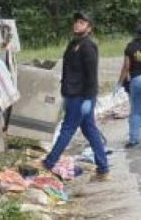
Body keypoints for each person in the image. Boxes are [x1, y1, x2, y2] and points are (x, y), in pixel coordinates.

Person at [43, 11, 110, 180]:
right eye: (76, 22)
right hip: (72, 94)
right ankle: (103, 169)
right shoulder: (73, 44)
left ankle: (49, 163)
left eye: (82, 22)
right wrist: (65, 94)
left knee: (67, 129)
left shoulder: (88, 46)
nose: (77, 24)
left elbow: (91, 75)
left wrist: (89, 98)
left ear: (89, 27)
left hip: (81, 95)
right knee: (90, 131)